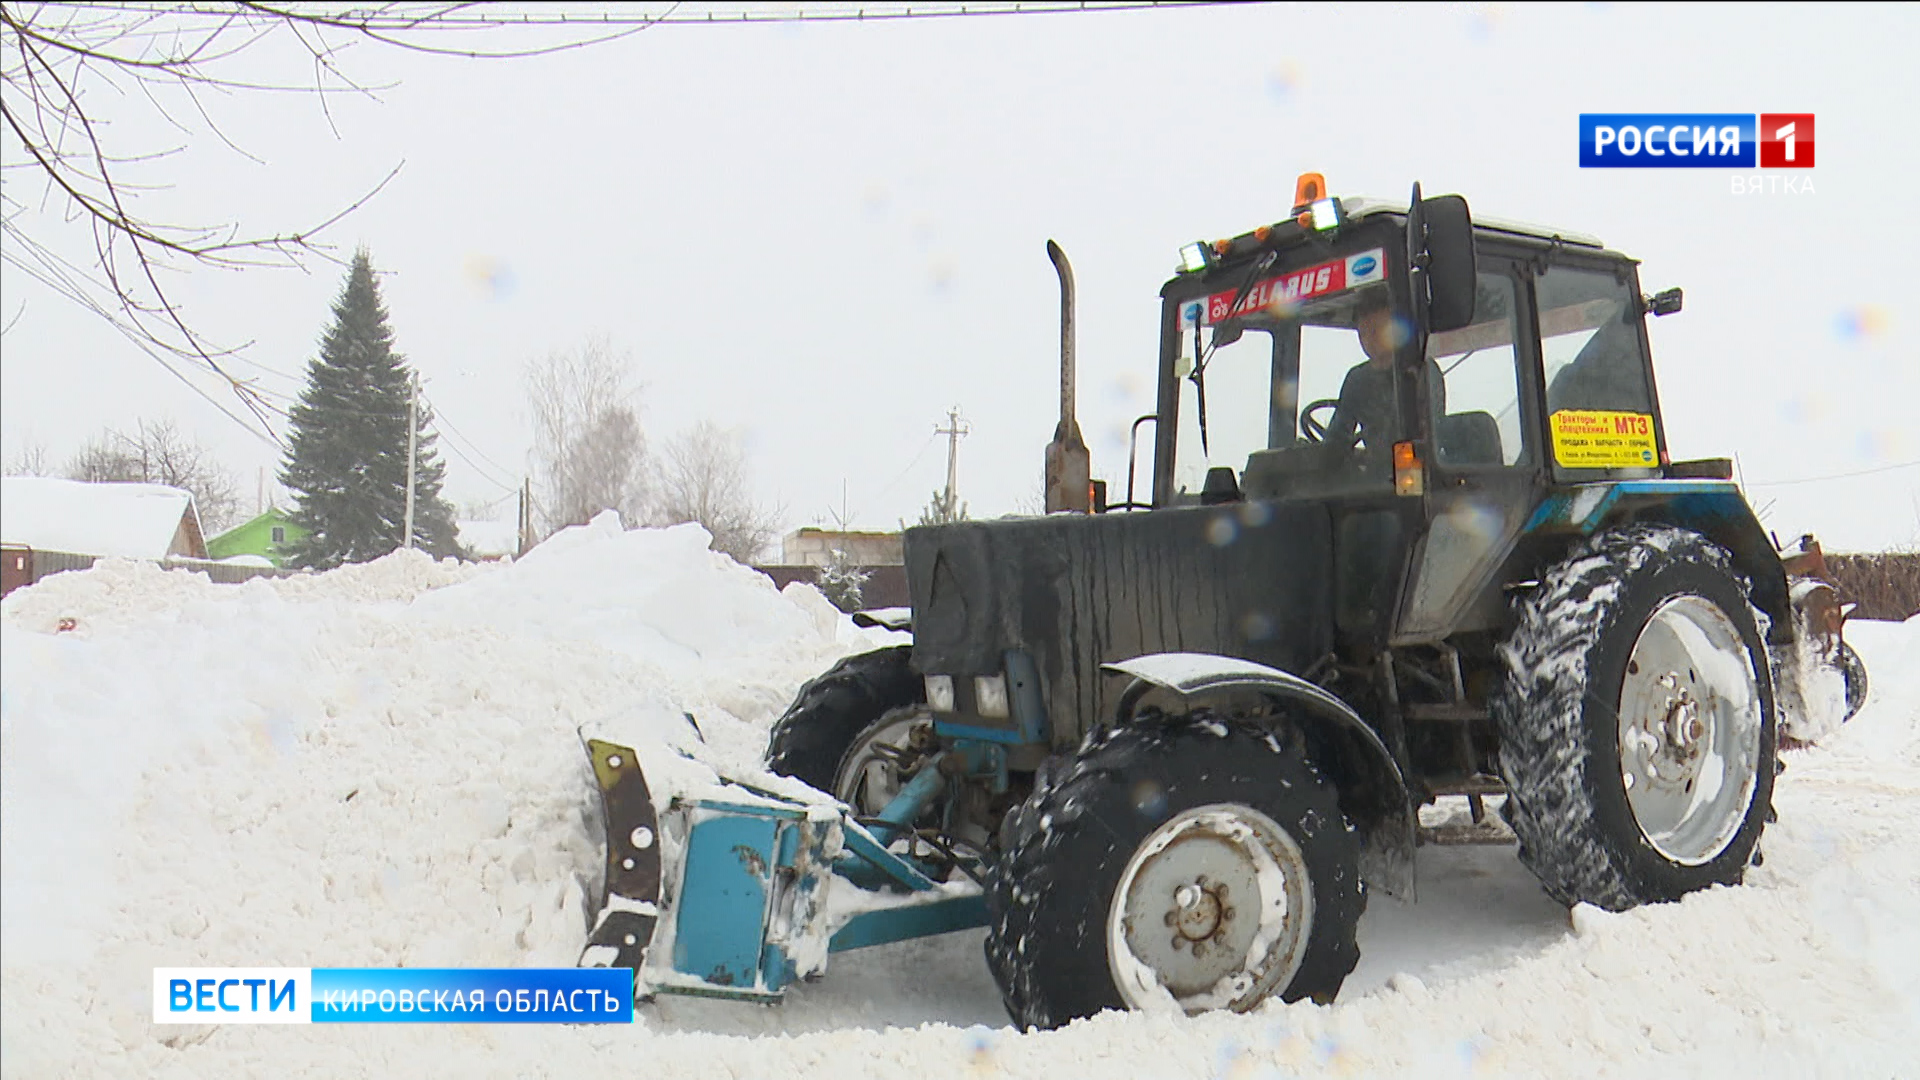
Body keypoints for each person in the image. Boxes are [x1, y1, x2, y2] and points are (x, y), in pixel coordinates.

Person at [1321, 291, 1444, 465]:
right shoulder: (1357, 379)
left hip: (1414, 469)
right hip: (1375, 475)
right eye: (1362, 334)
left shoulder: (1421, 370)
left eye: (1375, 331)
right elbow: (1339, 432)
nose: (1368, 340)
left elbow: (1425, 431)